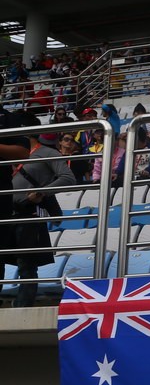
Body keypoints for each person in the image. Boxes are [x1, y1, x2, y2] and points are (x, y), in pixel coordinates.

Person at [6, 112, 72, 306]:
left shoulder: (48, 152)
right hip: (8, 214)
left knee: (27, 265)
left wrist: (42, 192)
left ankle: (21, 309)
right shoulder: (11, 153)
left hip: (29, 214)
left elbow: (67, 177)